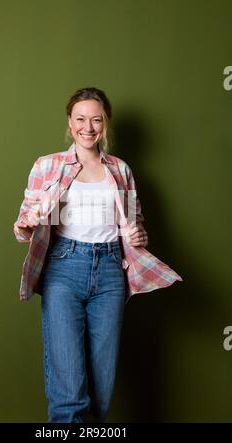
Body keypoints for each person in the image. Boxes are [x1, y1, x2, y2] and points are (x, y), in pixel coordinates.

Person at [13, 87, 183, 423]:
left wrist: (137, 234)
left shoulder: (121, 170)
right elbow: (21, 228)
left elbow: (135, 226)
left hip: (109, 273)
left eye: (96, 119)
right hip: (63, 269)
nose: (88, 127)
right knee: (70, 388)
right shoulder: (48, 165)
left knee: (101, 388)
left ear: (106, 123)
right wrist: (30, 221)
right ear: (69, 122)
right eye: (80, 119)